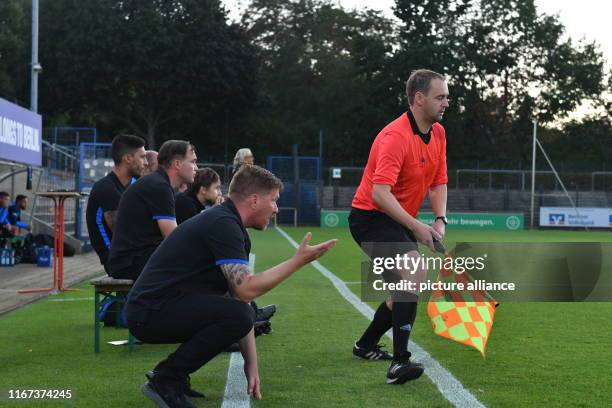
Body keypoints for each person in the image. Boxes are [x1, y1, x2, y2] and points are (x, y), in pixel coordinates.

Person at [126, 165, 337, 408]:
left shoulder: (228, 223)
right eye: (274, 200)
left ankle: (174, 377)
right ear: (255, 200)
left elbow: (240, 300)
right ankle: (165, 379)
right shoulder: (223, 223)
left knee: (240, 313)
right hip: (150, 312)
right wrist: (297, 261)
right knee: (237, 315)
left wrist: (251, 364)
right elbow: (245, 291)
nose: (277, 208)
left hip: (159, 307)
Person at [349, 69, 449, 384]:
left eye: (446, 96)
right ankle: (399, 363)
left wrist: (439, 219)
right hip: (371, 217)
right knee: (413, 273)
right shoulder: (394, 137)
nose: (446, 102)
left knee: (403, 292)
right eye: (440, 96)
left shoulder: (439, 133)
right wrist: (417, 227)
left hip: (397, 218)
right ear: (418, 99)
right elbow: (380, 194)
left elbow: (439, 182)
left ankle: (365, 345)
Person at [107, 140, 197, 280]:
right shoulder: (159, 186)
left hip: (135, 258)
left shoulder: (159, 183)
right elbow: (172, 237)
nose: (196, 168)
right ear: (177, 164)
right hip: (130, 263)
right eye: (193, 162)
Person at [85, 134, 147, 272]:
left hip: (133, 256)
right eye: (142, 157)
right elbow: (125, 233)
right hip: (117, 261)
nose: (146, 162)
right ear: (128, 159)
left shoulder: (134, 184)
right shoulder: (106, 188)